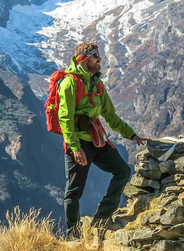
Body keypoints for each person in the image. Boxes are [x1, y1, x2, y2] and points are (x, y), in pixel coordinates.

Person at [58, 42, 148, 236]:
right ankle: (73, 235)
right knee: (74, 190)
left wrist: (132, 135)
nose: (99, 59)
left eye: (98, 56)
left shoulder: (97, 84)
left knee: (123, 171)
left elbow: (111, 116)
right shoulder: (70, 83)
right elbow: (65, 118)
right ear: (83, 59)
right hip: (79, 142)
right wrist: (75, 147)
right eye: (95, 56)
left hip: (96, 140)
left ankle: (102, 218)